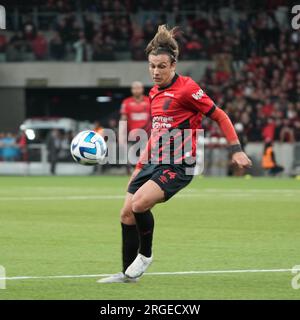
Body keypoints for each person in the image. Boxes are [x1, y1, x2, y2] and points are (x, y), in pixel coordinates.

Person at [98, 25, 252, 284]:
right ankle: (127, 275)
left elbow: (220, 115)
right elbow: (157, 132)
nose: (155, 71)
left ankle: (145, 256)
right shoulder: (154, 93)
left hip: (180, 164)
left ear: (173, 65)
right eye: (152, 66)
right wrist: (139, 166)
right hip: (153, 161)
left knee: (139, 205)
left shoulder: (188, 88)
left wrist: (235, 150)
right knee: (126, 213)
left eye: (161, 66)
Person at [119, 81, 151, 174]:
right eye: (134, 88)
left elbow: (154, 116)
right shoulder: (127, 102)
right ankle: (130, 172)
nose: (136, 90)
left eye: (138, 88)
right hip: (132, 135)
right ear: (131, 90)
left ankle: (145, 172)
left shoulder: (149, 101)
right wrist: (122, 134)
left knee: (146, 156)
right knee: (130, 156)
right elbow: (123, 119)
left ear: (142, 89)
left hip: (147, 134)